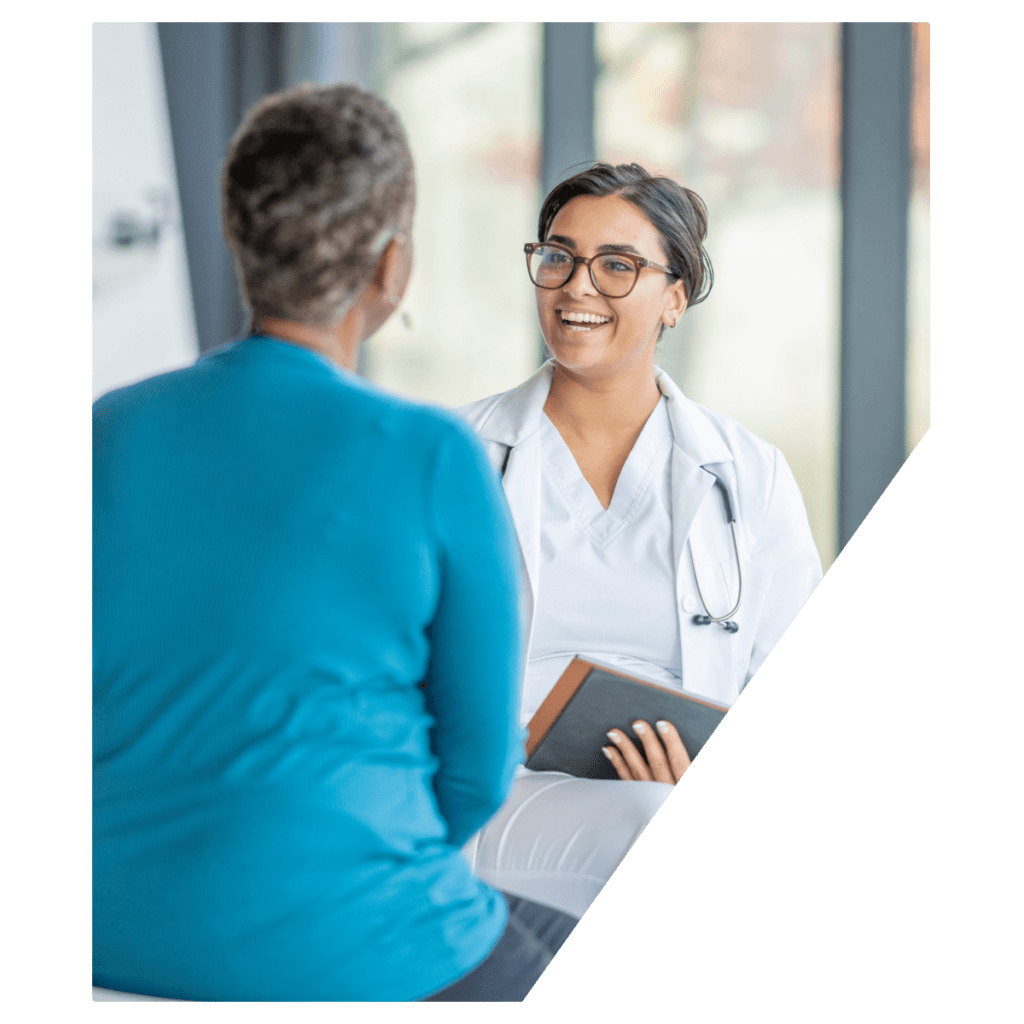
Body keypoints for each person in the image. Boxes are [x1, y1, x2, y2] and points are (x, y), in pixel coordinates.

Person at [92, 84, 577, 1003]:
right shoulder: (432, 456)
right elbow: (476, 770)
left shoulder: (104, 432)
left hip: (100, 920)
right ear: (393, 266)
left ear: (243, 244)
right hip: (351, 937)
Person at [458, 163, 823, 917]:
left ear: (675, 299)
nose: (577, 287)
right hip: (492, 796)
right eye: (558, 257)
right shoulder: (455, 455)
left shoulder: (746, 474)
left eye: (617, 266)